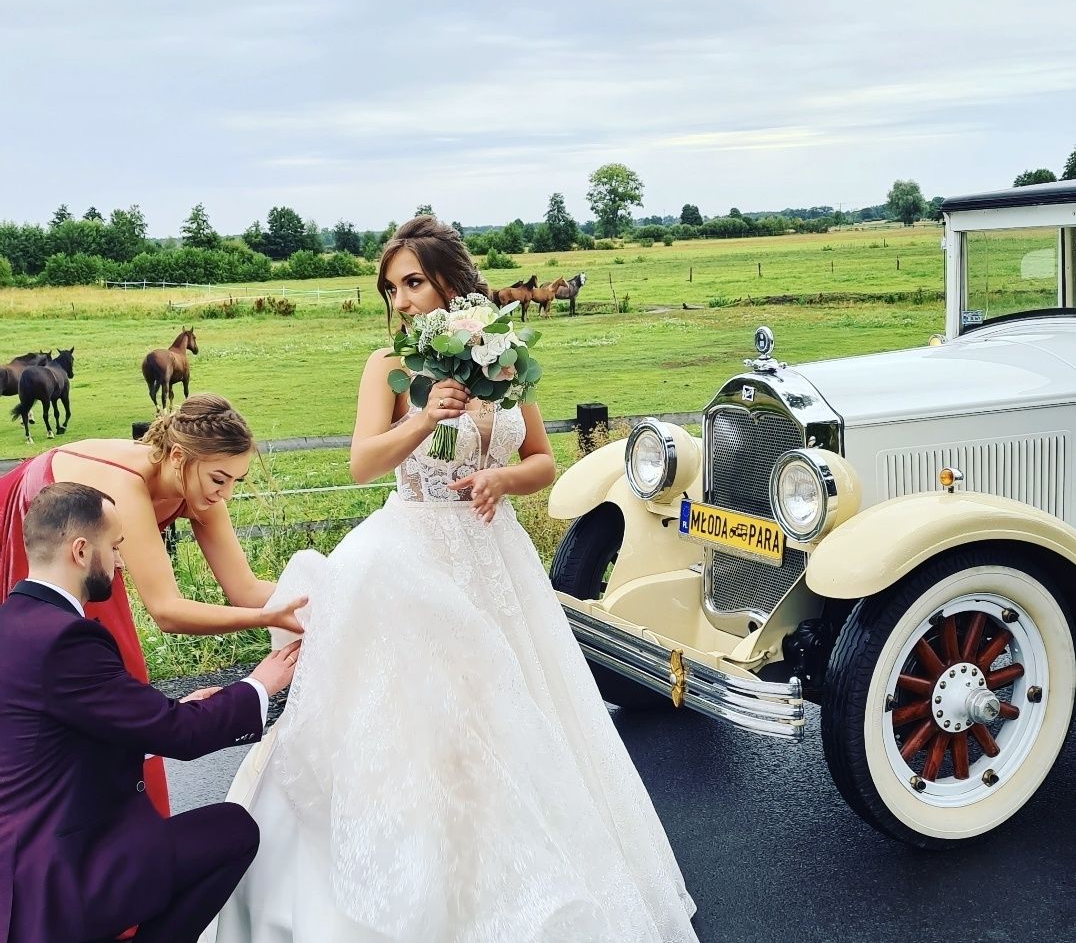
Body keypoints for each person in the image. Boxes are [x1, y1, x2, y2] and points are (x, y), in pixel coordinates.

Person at [208, 216, 698, 942]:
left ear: (450, 283)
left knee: (516, 721)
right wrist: (422, 418)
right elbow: (362, 464)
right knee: (424, 729)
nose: (400, 300)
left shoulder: (503, 358)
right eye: (391, 288)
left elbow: (541, 460)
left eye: (411, 282)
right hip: (410, 560)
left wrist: (502, 477)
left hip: (493, 561)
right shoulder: (388, 366)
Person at [0, 481, 302, 943]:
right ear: (81, 551)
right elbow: (179, 735)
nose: (121, 561)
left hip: (17, 868)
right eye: (115, 546)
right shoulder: (67, 639)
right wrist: (258, 685)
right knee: (232, 829)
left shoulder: (13, 622)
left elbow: (49, 736)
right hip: (58, 878)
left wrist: (172, 711)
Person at [0, 392, 307, 816]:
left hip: (96, 547)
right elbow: (166, 611)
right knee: (111, 671)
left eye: (236, 481)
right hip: (36, 530)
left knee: (118, 690)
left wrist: (326, 591)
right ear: (179, 457)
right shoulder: (125, 485)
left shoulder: (200, 485)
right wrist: (264, 618)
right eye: (220, 479)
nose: (227, 495)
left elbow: (246, 589)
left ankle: (135, 830)